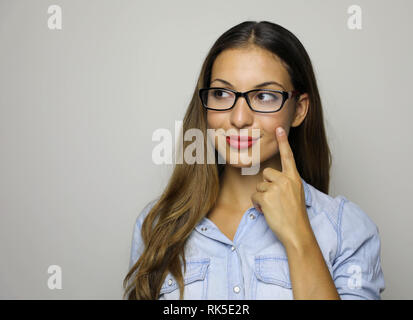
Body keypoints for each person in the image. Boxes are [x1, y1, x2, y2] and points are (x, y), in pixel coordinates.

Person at [123, 20, 385, 300]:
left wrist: (298, 235)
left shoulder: (348, 230)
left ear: (298, 110)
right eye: (222, 94)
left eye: (264, 96)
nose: (239, 119)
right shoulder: (157, 227)